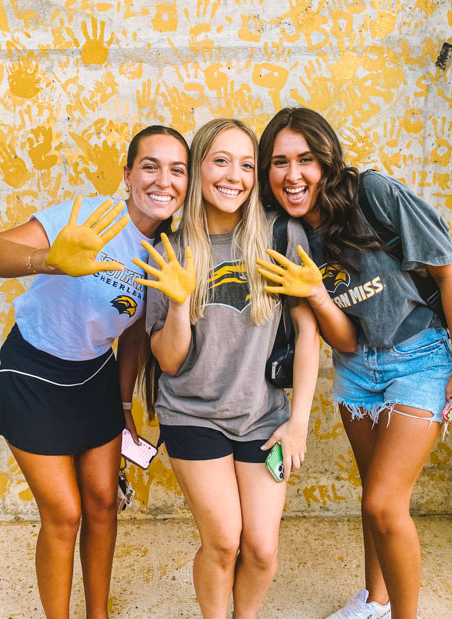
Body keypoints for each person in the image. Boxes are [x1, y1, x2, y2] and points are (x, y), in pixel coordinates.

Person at [256, 107, 452, 619]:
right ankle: (374, 601)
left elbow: (450, 273)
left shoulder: (374, 195)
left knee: (383, 504)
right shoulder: (289, 233)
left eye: (306, 159)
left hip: (422, 358)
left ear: (327, 160)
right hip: (356, 371)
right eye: (279, 162)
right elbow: (341, 341)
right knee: (375, 497)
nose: (293, 175)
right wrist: (319, 296)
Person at [0, 125, 189, 619]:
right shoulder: (87, 216)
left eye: (177, 170)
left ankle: (98, 613)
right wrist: (46, 260)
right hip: (32, 375)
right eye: (149, 166)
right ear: (127, 174)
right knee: (65, 515)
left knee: (104, 503)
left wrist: (125, 402)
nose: (163, 180)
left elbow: (130, 333)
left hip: (94, 380)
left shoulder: (169, 251)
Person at [137, 118, 319, 619]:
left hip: (263, 416)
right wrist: (177, 305)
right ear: (198, 169)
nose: (234, 176)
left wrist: (297, 422)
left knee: (260, 549)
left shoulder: (281, 234)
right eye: (220, 160)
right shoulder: (170, 249)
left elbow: (308, 332)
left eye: (245, 164)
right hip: (192, 414)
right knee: (223, 542)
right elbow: (169, 360)